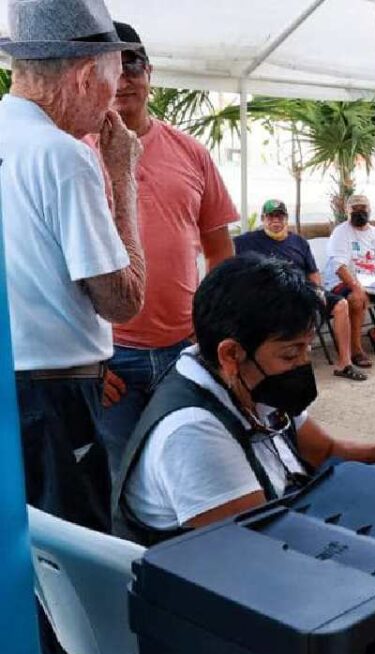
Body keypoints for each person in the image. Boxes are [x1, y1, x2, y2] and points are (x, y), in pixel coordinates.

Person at [111, 255, 375, 545]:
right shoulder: (192, 433)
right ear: (231, 353)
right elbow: (262, 550)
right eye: (291, 353)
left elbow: (323, 451)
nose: (302, 365)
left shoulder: (245, 377)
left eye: (307, 349)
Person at [0, 1, 146, 654]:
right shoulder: (65, 156)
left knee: (23, 563)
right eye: (113, 87)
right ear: (88, 75)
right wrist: (121, 174)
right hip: (57, 403)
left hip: (15, 385)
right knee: (77, 573)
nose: (111, 108)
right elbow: (120, 297)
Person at [95, 21, 239, 474]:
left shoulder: (192, 152)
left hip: (185, 348)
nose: (123, 77)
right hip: (111, 359)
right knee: (123, 477)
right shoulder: (75, 155)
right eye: (111, 66)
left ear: (150, 72)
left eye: (132, 63)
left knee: (193, 466)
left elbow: (219, 249)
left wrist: (210, 327)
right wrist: (89, 359)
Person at [234, 199, 366, 381]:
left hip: (303, 292)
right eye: (271, 217)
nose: (275, 221)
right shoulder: (248, 242)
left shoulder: (298, 242)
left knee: (341, 304)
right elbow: (223, 249)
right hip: (273, 299)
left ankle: (345, 363)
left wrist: (318, 290)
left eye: (280, 216)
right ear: (263, 219)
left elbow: (313, 273)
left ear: (286, 219)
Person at [322, 194, 375, 366]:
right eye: (355, 209)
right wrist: (356, 287)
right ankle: (355, 348)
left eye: (363, 209)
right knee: (357, 299)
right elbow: (339, 266)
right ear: (348, 211)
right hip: (345, 282)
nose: (360, 212)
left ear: (369, 210)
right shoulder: (341, 232)